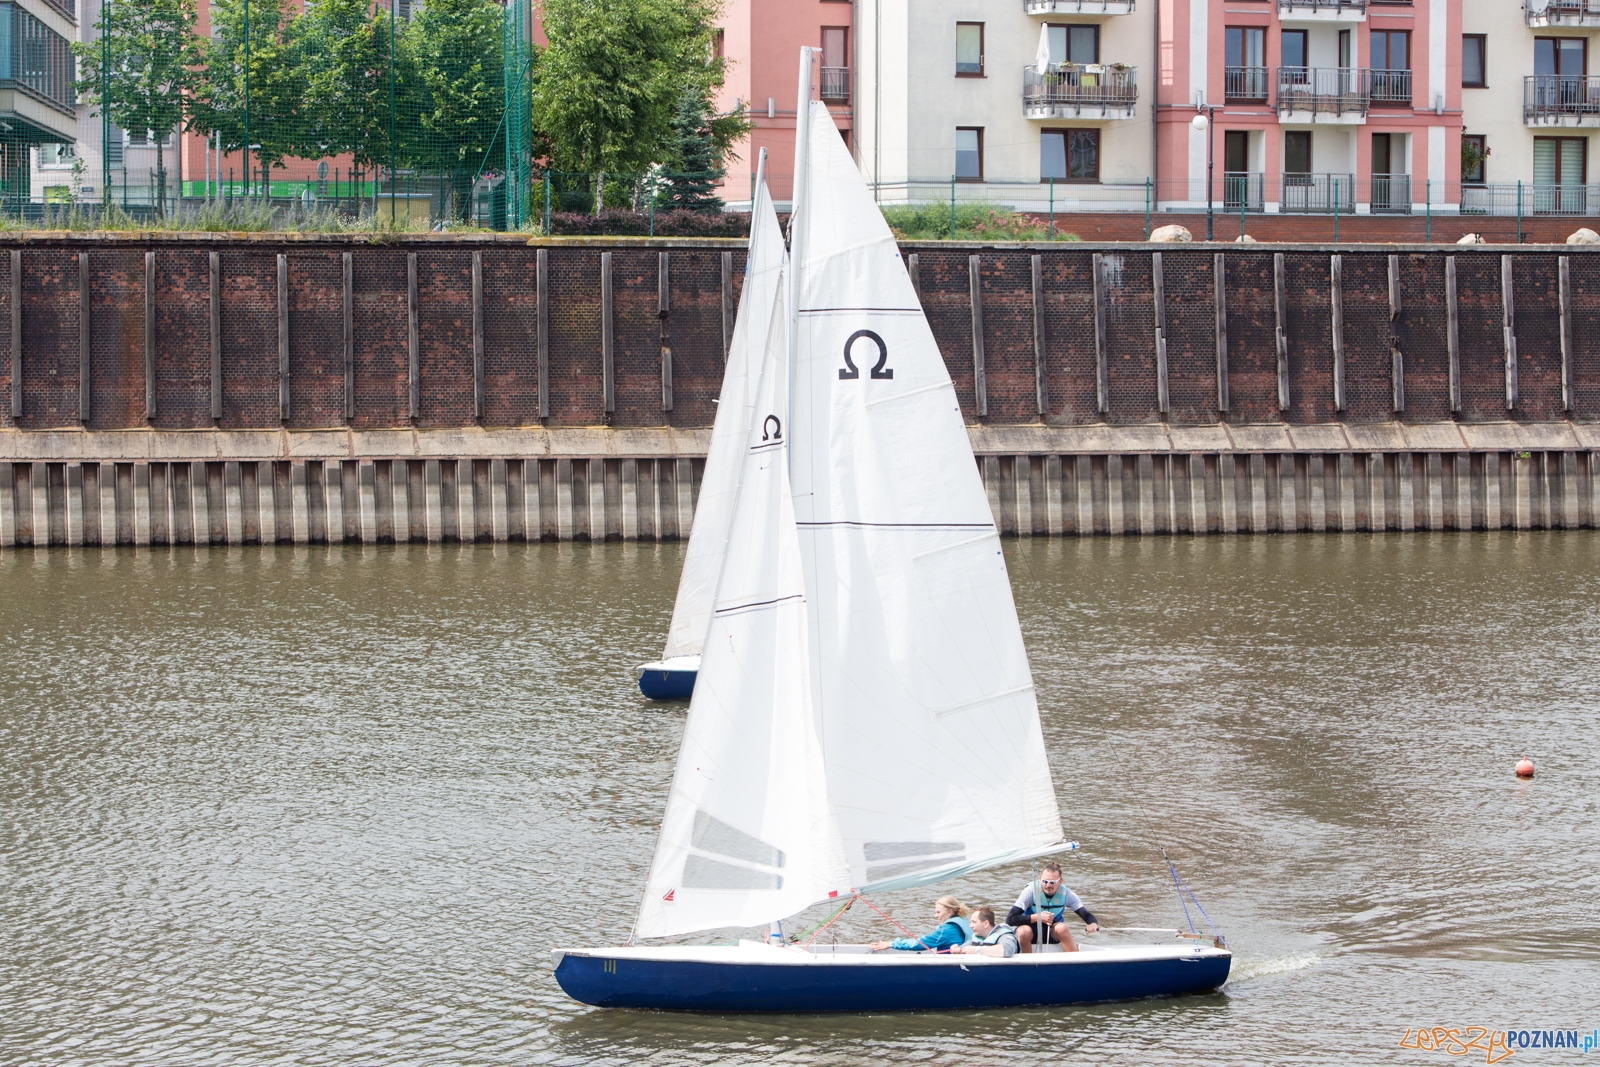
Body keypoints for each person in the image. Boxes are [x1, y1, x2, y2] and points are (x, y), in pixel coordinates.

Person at [1008, 862, 1098, 953]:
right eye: (1045, 881)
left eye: (1052, 882)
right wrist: (1038, 917)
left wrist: (1092, 923)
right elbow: (1010, 919)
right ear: (1040, 879)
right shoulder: (1030, 892)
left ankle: (1074, 962)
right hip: (1029, 934)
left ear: (1060, 882)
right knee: (1024, 931)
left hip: (1051, 934)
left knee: (1062, 928)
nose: (1048, 886)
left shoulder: (1067, 894)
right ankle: (1027, 964)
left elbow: (1086, 915)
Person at [868, 896, 972, 952]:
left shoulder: (947, 929)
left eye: (938, 912)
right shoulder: (964, 921)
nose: (935, 916)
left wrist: (891, 944)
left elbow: (921, 943)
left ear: (950, 912)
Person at [953, 905, 1018, 958]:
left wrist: (977, 950)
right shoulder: (976, 937)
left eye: (974, 922)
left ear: (986, 924)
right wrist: (957, 949)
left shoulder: (1005, 935)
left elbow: (1007, 950)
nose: (970, 926)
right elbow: (964, 948)